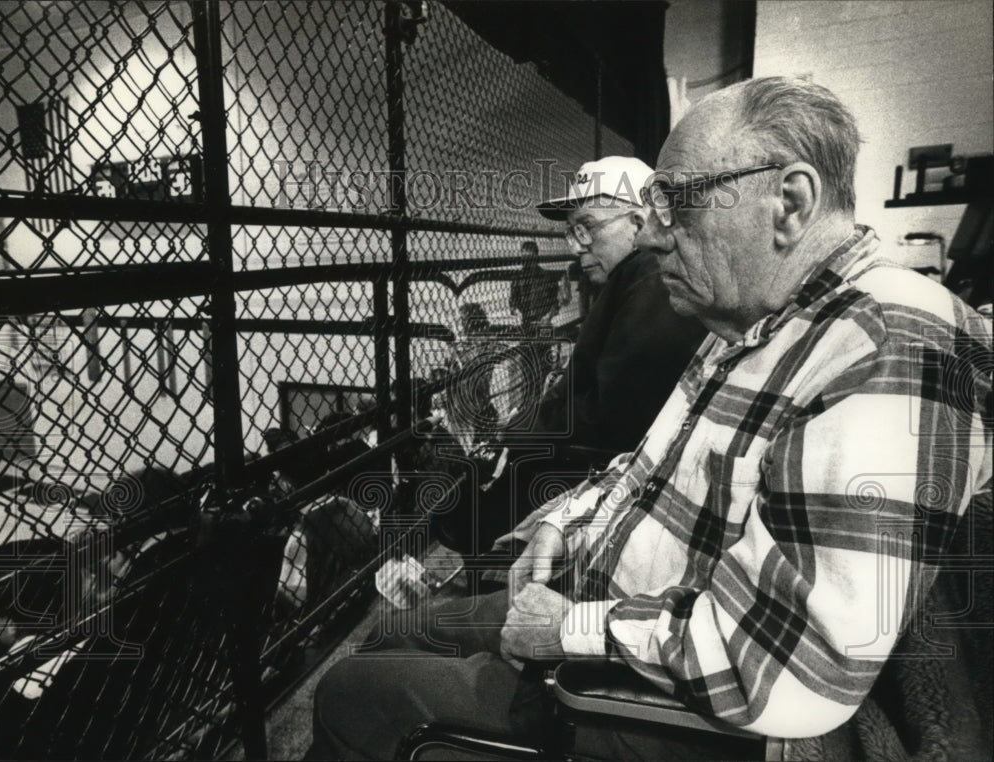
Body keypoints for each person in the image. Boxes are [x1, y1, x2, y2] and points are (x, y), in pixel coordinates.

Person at [306, 77, 992, 760]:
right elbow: (640, 468)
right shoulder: (753, 319)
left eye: (676, 204)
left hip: (643, 692)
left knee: (349, 690)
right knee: (396, 632)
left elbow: (783, 663)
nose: (655, 235)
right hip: (604, 604)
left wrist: (567, 629)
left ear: (789, 202)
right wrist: (559, 525)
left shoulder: (889, 345)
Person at [529, 155, 707, 456]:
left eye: (587, 228)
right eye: (572, 233)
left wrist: (523, 428)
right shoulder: (634, 277)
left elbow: (613, 415)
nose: (578, 247)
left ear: (638, 223)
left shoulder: (655, 283)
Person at [508, 240, 561, 332]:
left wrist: (548, 316)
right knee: (527, 344)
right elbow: (513, 302)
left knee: (543, 344)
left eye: (530, 259)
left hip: (544, 321)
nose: (526, 263)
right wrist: (517, 313)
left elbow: (556, 302)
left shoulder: (547, 277)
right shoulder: (518, 277)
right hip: (526, 322)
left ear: (536, 258)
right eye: (524, 259)